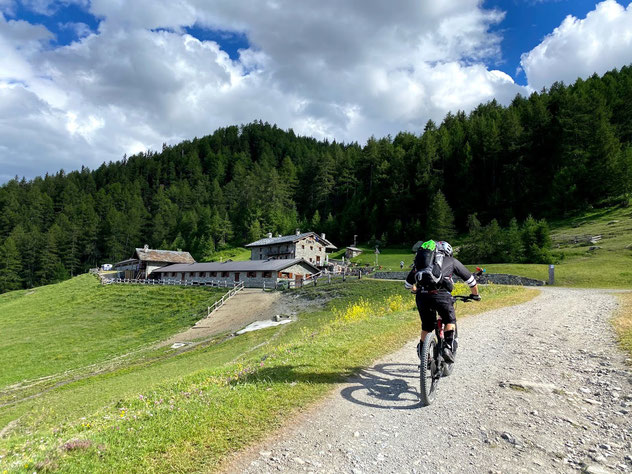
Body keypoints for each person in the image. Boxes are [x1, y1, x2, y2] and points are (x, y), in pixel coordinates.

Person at [405, 240, 480, 363]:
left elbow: (408, 284)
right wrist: (475, 295)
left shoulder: (422, 264)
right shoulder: (451, 261)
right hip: (442, 296)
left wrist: (415, 290)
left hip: (422, 296)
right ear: (448, 252)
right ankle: (447, 348)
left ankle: (423, 352)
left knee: (427, 326)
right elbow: (471, 281)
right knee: (449, 320)